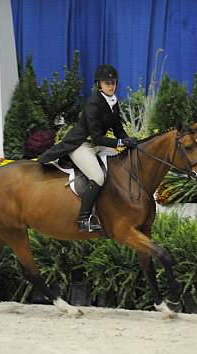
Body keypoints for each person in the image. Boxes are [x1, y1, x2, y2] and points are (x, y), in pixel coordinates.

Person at [38, 64, 138, 232]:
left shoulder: (113, 101)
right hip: (81, 145)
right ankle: (83, 219)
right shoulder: (94, 103)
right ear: (99, 84)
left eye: (113, 83)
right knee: (98, 177)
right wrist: (120, 144)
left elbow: (118, 129)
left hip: (98, 145)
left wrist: (131, 141)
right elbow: (97, 136)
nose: (111, 86)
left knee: (119, 165)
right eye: (107, 83)